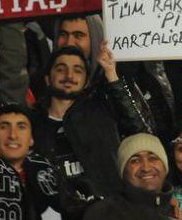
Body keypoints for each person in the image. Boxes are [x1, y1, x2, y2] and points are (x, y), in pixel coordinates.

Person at [32, 44, 148, 204]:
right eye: (60, 69)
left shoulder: (103, 114)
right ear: (47, 79)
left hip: (106, 210)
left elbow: (142, 135)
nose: (69, 75)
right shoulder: (31, 123)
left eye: (78, 70)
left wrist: (112, 75)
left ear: (87, 82)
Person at [0, 103, 60, 219]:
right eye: (3, 127)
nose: (13, 135)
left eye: (21, 127)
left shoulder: (51, 173)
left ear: (31, 139)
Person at [82, 132, 177, 219]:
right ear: (123, 171)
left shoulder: (179, 209)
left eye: (153, 158)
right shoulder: (102, 214)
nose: (146, 168)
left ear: (165, 167)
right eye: (135, 161)